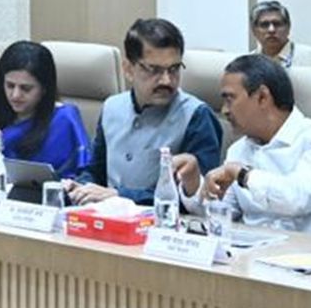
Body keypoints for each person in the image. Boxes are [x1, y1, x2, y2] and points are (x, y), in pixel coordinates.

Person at [67, 18, 222, 205]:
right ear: (128, 69)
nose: (166, 80)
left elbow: (201, 198)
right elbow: (96, 171)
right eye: (153, 70)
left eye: (174, 69)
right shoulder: (111, 107)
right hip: (106, 217)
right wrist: (81, 186)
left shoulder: (197, 115)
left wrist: (119, 196)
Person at [176, 54, 311, 235]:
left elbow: (297, 199)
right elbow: (221, 212)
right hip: (251, 248)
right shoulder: (238, 150)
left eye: (230, 99)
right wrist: (192, 182)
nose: (224, 110)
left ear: (262, 97)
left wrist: (243, 175)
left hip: (307, 249)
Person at [0, 41, 90, 181]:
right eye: (10, 86)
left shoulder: (64, 118)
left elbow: (84, 177)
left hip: (47, 192)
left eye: (26, 88)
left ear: (44, 88)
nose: (15, 95)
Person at [249, 0, 311, 68]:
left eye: (277, 24)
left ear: (288, 27)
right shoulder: (248, 62)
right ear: (254, 30)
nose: (271, 30)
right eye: (264, 25)